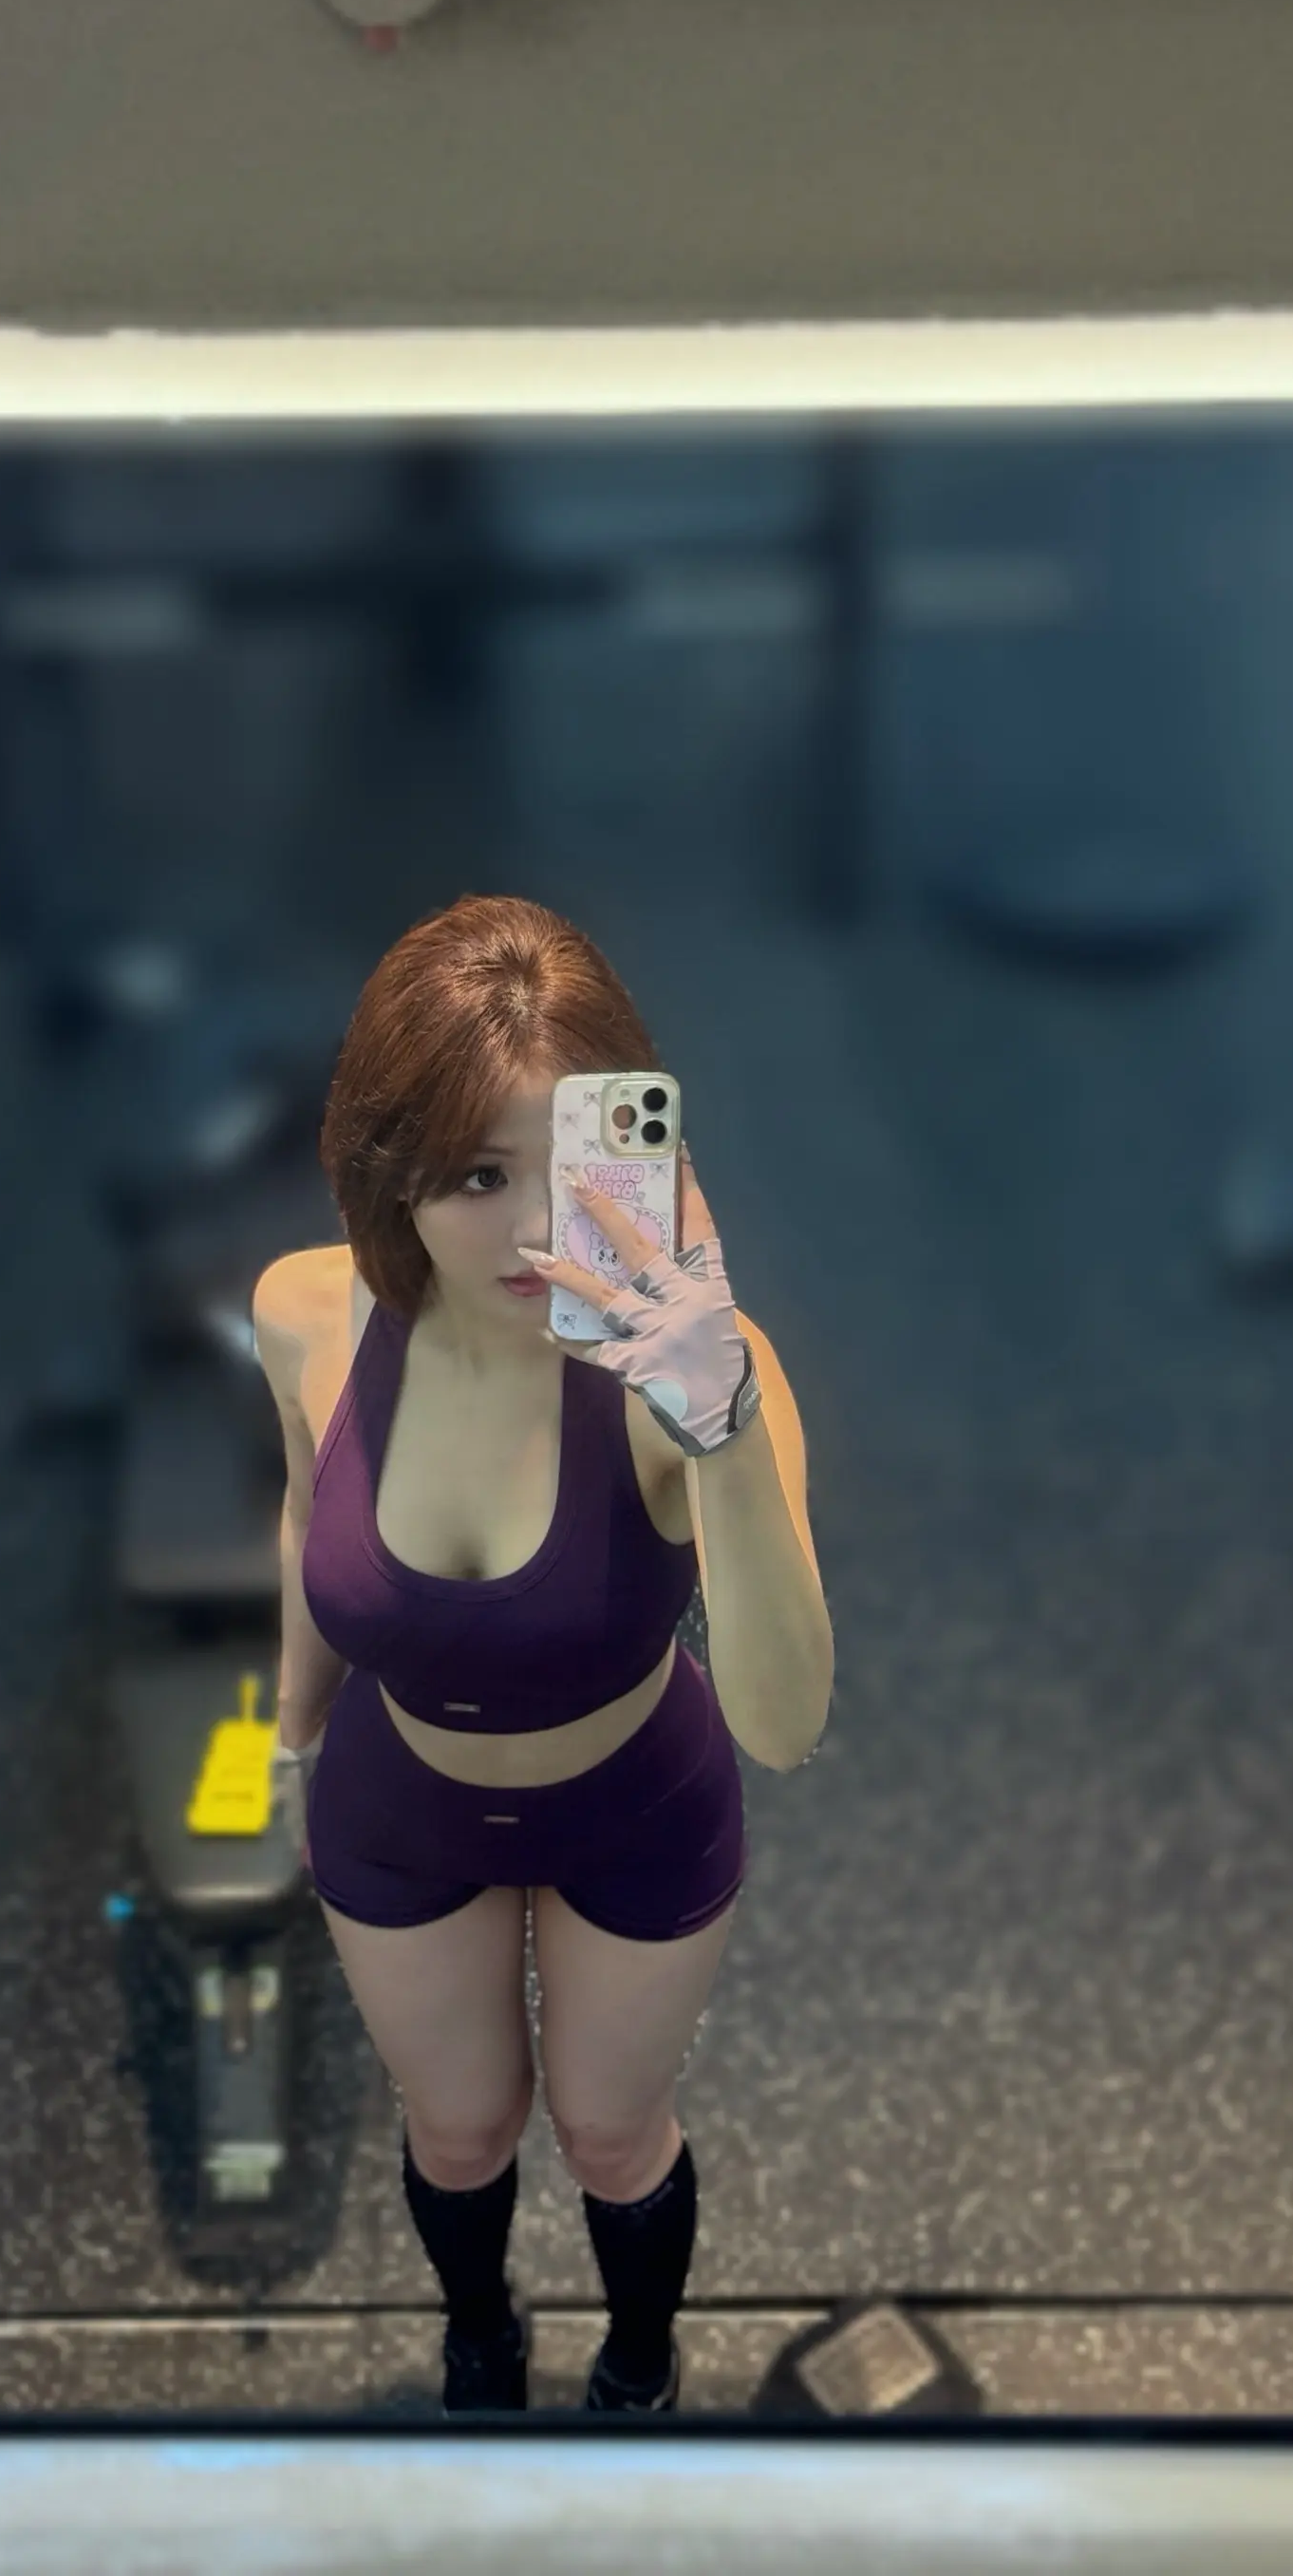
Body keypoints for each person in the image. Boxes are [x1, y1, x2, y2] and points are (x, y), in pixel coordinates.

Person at [252, 894, 832, 2417]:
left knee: (611, 2135)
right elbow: (309, 1515)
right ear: (388, 1168)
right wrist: (288, 1732)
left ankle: (638, 2369)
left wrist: (722, 1431)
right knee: (458, 2134)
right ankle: (481, 2341)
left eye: (565, 1172)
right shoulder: (307, 1313)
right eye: (474, 1175)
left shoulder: (695, 1378)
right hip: (401, 1801)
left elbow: (784, 1724)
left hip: (635, 1800)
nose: (526, 1234)